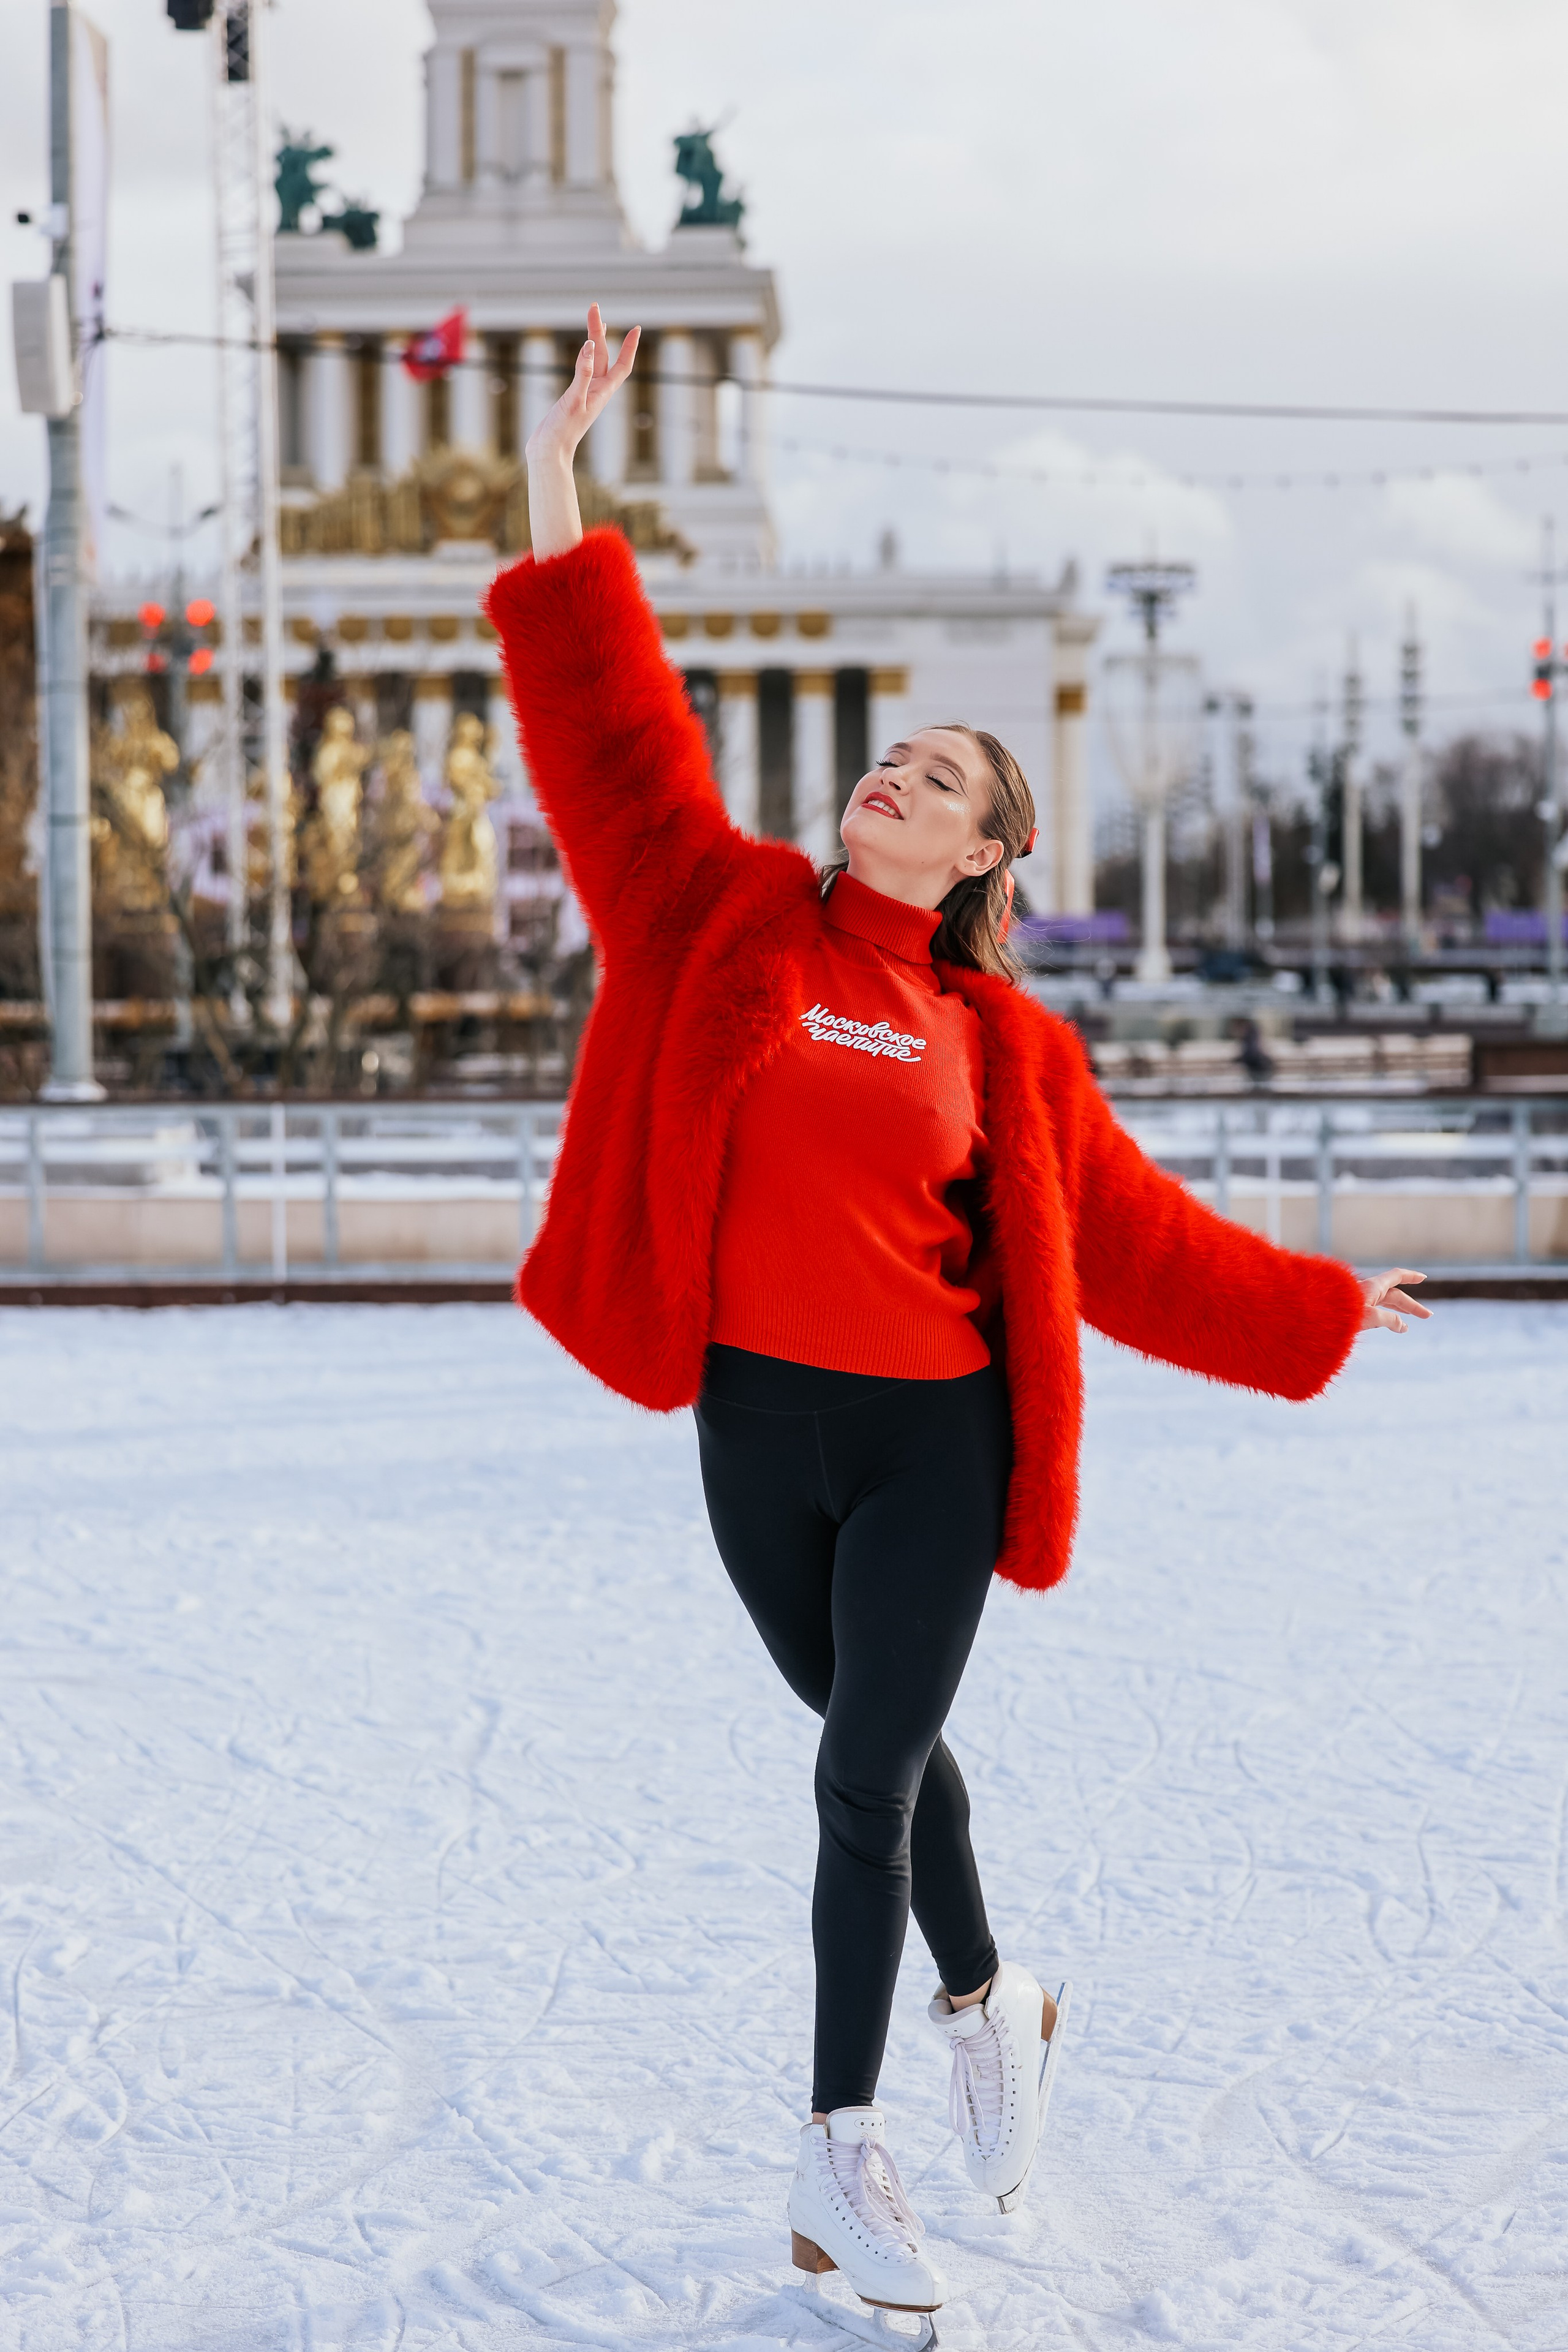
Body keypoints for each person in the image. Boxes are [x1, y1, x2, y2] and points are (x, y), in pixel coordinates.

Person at [484, 306, 1431, 2329]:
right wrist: (563, 466)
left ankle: (839, 2168)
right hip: (755, 1427)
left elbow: (1137, 1240)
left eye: (939, 779)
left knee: (858, 1784)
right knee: (884, 1749)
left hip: (935, 1439)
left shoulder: (998, 1040)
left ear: (992, 850)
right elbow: (603, 708)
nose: (891, 775)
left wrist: (1320, 1305)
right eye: (889, 758)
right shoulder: (713, 906)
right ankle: (999, 1997)